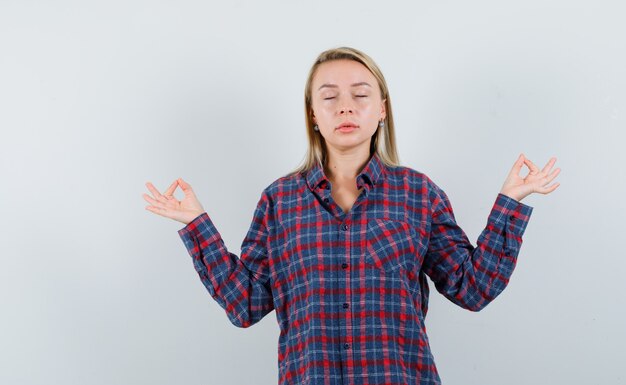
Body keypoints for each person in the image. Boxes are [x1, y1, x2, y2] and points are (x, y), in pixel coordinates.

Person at [143, 46, 560, 385]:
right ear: (312, 114)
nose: (345, 108)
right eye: (329, 97)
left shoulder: (417, 193)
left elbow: (473, 288)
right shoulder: (279, 201)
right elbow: (246, 304)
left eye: (360, 95)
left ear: (381, 109)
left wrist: (511, 201)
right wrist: (195, 224)